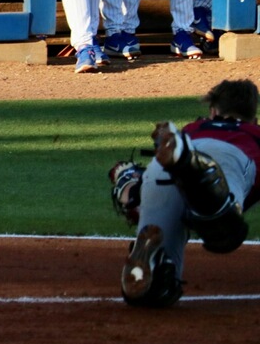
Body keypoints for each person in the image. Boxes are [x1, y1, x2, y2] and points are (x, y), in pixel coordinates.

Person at [109, 79, 259, 308]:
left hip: (162, 168)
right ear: (253, 116)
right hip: (228, 159)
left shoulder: (194, 128)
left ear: (213, 111)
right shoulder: (254, 134)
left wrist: (128, 181)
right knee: (225, 228)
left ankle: (155, 262)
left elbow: (133, 200)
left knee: (157, 292)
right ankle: (199, 172)